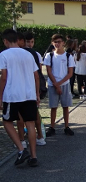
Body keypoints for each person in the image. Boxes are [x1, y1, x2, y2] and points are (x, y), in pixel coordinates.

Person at [0, 29, 40, 167]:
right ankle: (34, 156)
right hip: (29, 94)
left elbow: (4, 77)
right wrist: (37, 94)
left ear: (5, 41)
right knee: (30, 124)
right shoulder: (28, 54)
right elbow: (36, 76)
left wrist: (0, 97)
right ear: (17, 40)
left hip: (12, 95)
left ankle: (22, 149)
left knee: (7, 121)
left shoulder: (4, 55)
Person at [44, 34, 75, 136]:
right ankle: (52, 127)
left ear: (63, 43)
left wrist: (60, 84)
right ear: (52, 43)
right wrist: (56, 85)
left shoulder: (68, 56)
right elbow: (49, 71)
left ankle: (66, 126)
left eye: (59, 42)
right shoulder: (49, 55)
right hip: (53, 84)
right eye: (55, 42)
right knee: (53, 106)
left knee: (66, 106)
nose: (57, 44)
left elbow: (70, 73)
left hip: (64, 83)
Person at [23, 32, 46, 146]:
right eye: (28, 42)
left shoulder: (36, 54)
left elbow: (39, 73)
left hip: (31, 86)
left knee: (33, 114)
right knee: (28, 115)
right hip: (31, 86)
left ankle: (39, 136)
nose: (30, 44)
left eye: (32, 42)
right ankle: (28, 136)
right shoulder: (30, 53)